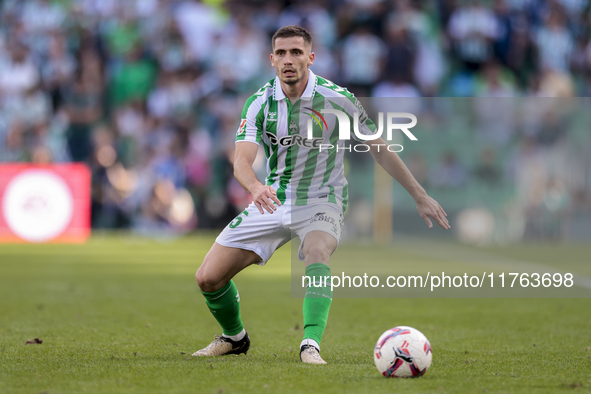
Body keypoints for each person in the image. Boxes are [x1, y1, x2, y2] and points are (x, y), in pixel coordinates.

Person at [193, 25, 450, 365]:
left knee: (316, 251)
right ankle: (234, 338)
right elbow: (241, 160)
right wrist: (255, 187)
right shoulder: (259, 103)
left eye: (296, 52)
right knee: (208, 278)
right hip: (274, 197)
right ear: (271, 60)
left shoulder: (336, 98)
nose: (288, 60)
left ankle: (310, 343)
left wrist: (419, 195)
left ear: (311, 58)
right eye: (281, 53)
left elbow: (380, 149)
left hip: (322, 198)